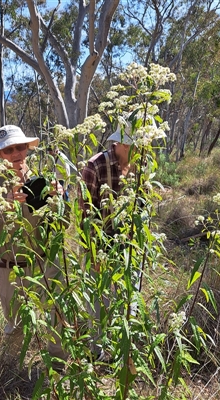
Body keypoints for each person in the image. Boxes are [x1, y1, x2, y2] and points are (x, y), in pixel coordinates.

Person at [0, 125, 68, 368]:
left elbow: (62, 225)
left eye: (20, 147)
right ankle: (13, 375)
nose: (16, 153)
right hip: (11, 269)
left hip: (45, 264)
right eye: (8, 150)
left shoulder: (42, 182)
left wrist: (59, 200)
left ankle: (57, 371)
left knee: (58, 315)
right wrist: (3, 205)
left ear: (27, 149)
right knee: (16, 325)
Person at [78, 122, 139, 361]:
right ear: (122, 143)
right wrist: (93, 254)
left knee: (129, 296)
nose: (142, 151)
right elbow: (84, 215)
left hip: (129, 246)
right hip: (100, 246)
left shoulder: (140, 164)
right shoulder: (95, 166)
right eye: (136, 145)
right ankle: (97, 352)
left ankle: (126, 346)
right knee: (99, 301)